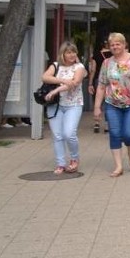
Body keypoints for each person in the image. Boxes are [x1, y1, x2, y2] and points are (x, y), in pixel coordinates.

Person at [93, 32, 130, 177]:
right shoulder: (107, 63)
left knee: (129, 134)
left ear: (124, 45)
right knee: (115, 133)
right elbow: (101, 85)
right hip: (112, 104)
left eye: (118, 44)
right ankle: (118, 166)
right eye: (112, 45)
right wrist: (97, 107)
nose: (115, 47)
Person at [41, 41, 87, 174]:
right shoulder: (55, 66)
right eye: (69, 52)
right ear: (63, 54)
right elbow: (45, 77)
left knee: (69, 133)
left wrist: (55, 91)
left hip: (73, 105)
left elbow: (75, 82)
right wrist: (62, 80)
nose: (72, 55)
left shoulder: (79, 67)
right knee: (57, 135)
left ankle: (74, 158)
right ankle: (60, 163)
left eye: (74, 52)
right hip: (55, 105)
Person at [87, 39, 112, 133]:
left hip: (99, 79)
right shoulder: (113, 55)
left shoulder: (96, 55)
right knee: (108, 102)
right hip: (111, 80)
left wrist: (90, 83)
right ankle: (107, 124)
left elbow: (93, 70)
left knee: (98, 101)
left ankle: (96, 122)